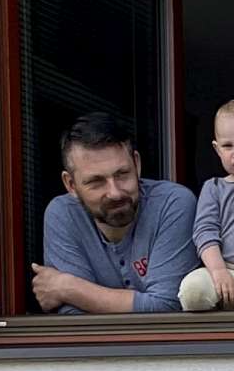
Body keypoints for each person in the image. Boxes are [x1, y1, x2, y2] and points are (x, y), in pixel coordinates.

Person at [34, 112, 199, 314]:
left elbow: (166, 307)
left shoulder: (172, 203)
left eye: (122, 174)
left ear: (136, 164)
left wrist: (68, 287)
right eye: (96, 182)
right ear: (71, 185)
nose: (115, 193)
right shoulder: (62, 215)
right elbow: (74, 319)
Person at [178, 97, 234, 313]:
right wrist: (219, 272)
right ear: (217, 149)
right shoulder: (214, 188)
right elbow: (204, 232)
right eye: (228, 146)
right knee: (192, 292)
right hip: (218, 269)